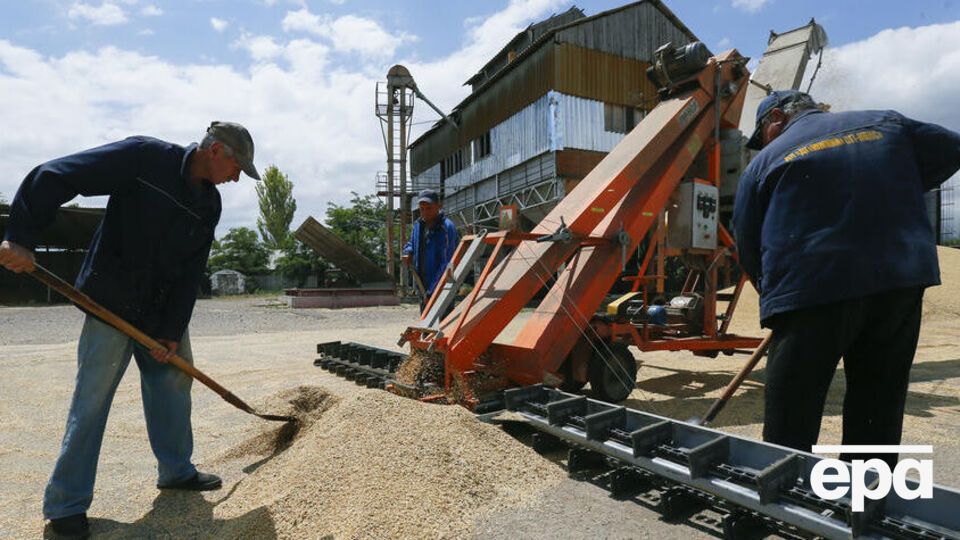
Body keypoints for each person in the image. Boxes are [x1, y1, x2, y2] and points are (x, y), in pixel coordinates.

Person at [0, 121, 261, 538]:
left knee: (173, 383)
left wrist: (173, 330)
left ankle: (176, 471)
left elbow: (191, 270)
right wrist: (20, 236)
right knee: (91, 401)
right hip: (110, 304)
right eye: (236, 168)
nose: (235, 178)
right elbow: (56, 174)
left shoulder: (209, 203)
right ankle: (65, 505)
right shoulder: (143, 158)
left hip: (160, 315)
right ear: (216, 151)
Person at [732, 90, 960, 469]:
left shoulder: (764, 163)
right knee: (879, 400)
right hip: (899, 279)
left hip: (809, 286)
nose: (763, 145)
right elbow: (953, 148)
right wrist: (893, 185)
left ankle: (784, 496)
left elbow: (747, 241)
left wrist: (776, 297)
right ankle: (867, 505)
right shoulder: (886, 122)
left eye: (762, 136)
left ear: (776, 118)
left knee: (794, 404)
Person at [401, 189, 459, 313]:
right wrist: (408, 251)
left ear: (439, 206)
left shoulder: (446, 228)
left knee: (443, 326)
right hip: (423, 287)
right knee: (427, 326)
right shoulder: (418, 225)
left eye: (429, 208)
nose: (425, 212)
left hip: (442, 289)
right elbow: (412, 243)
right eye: (422, 209)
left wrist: (432, 292)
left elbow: (447, 264)